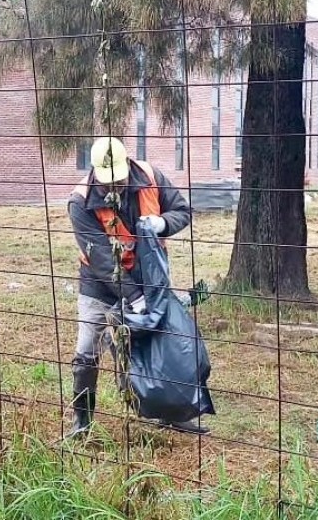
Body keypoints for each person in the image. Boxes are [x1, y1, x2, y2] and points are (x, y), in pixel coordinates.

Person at [66, 136, 209, 437]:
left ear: (127, 164)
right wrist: (135, 298)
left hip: (150, 283)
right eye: (107, 182)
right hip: (100, 286)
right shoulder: (80, 201)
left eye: (118, 180)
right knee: (86, 350)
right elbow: (104, 260)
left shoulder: (150, 177)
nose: (114, 187)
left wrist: (162, 223)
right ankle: (81, 423)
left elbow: (182, 210)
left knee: (163, 345)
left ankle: (170, 412)